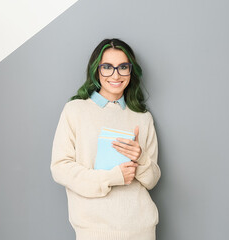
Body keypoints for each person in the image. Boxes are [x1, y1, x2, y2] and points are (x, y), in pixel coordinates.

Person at [51, 38, 161, 240]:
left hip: (141, 229)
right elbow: (60, 168)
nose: (116, 75)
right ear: (96, 70)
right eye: (107, 67)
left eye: (123, 67)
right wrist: (112, 177)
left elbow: (152, 180)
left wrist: (141, 159)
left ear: (131, 71)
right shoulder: (75, 110)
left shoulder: (142, 117)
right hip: (94, 231)